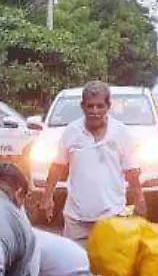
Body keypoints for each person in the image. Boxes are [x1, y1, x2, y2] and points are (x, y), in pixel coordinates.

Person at [39, 80, 145, 241]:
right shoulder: (71, 131)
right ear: (82, 106)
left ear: (108, 106)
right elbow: (57, 167)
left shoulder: (121, 132)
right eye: (90, 106)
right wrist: (47, 197)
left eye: (100, 106)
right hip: (76, 218)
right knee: (75, 264)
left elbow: (131, 171)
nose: (95, 111)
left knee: (108, 266)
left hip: (112, 217)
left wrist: (139, 199)